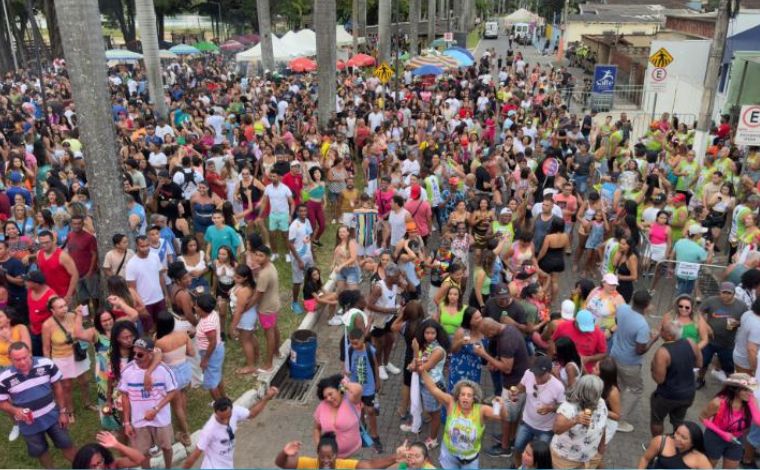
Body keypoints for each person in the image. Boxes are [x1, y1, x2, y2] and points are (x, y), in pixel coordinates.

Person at [0, 342, 76, 467]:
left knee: (66, 444)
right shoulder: (3, 377)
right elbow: (2, 402)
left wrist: (63, 412)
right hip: (28, 422)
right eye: (17, 360)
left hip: (53, 416)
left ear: (30, 353)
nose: (23, 362)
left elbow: (58, 386)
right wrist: (14, 410)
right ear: (10, 359)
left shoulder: (46, 364)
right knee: (41, 451)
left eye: (25, 357)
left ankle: (82, 466)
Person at [417, 366, 507, 469]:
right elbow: (433, 389)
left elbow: (503, 417)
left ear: (474, 398)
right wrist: (422, 370)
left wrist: (502, 406)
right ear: (458, 396)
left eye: (469, 395)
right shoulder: (451, 404)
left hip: (469, 461)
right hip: (449, 457)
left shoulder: (481, 410)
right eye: (463, 394)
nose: (465, 397)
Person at [118, 337, 178, 469]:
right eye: (134, 353)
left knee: (167, 447)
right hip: (139, 421)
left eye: (140, 354)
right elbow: (125, 397)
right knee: (142, 453)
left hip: (161, 419)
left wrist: (156, 409)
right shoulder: (127, 371)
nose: (135, 357)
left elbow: (172, 392)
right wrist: (127, 422)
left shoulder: (164, 370)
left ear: (150, 354)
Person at [182, 389, 278, 469]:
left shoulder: (235, 411)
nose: (225, 421)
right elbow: (194, 456)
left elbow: (251, 414)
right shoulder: (209, 430)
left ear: (232, 409)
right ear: (215, 413)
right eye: (222, 418)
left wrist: (266, 398)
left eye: (228, 416)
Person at [476, 318, 530, 457]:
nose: (487, 337)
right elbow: (507, 358)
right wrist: (496, 361)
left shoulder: (506, 341)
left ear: (492, 330)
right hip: (520, 381)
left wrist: (485, 355)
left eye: (487, 334)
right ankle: (511, 438)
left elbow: (506, 368)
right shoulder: (507, 329)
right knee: (514, 413)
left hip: (513, 384)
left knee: (505, 415)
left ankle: (505, 448)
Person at [608, 290, 658, 433]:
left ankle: (611, 410)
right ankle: (619, 419)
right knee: (636, 389)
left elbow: (617, 322)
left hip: (614, 354)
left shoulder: (622, 309)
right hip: (629, 363)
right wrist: (653, 340)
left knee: (618, 385)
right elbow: (639, 350)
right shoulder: (642, 325)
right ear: (647, 305)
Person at [510, 356, 566, 469]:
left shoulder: (558, 387)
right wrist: (516, 391)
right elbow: (521, 387)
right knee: (518, 447)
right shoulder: (528, 374)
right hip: (526, 421)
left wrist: (550, 408)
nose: (537, 378)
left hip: (546, 429)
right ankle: (518, 466)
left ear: (549, 372)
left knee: (540, 458)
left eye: (540, 375)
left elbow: (562, 406)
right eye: (535, 374)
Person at [650, 319, 702, 437]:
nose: (659, 331)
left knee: (657, 420)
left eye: (662, 329)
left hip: (667, 395)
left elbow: (659, 379)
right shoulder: (691, 342)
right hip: (688, 393)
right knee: (678, 420)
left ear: (669, 335)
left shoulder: (662, 352)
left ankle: (659, 444)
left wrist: (652, 369)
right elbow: (699, 364)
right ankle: (678, 442)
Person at [699, 373, 760, 469]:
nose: (750, 393)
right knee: (708, 466)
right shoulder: (718, 402)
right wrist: (723, 433)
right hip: (715, 438)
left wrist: (751, 402)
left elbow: (758, 420)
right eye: (745, 389)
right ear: (734, 390)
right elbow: (702, 418)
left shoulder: (751, 400)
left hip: (737, 440)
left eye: (750, 389)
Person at [154, 311, 195, 447]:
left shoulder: (158, 341)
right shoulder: (183, 335)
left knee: (176, 406)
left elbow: (157, 361)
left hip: (172, 375)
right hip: (185, 369)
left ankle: (185, 433)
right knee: (183, 397)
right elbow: (191, 352)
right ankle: (183, 424)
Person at [549, 375, 609, 469]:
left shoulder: (600, 403)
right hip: (566, 460)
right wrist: (575, 420)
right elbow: (556, 429)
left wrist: (602, 445)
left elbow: (603, 424)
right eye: (597, 392)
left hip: (591, 456)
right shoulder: (568, 408)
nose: (600, 394)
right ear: (588, 394)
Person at [698, 282, 748, 388]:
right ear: (719, 292)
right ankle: (700, 379)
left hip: (727, 343)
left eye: (729, 293)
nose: (725, 295)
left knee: (728, 367)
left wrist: (738, 323)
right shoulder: (711, 301)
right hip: (709, 340)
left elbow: (745, 321)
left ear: (734, 293)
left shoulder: (741, 306)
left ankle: (730, 387)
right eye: (723, 292)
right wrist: (706, 326)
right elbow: (698, 313)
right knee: (703, 362)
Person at [274, 432, 400, 469]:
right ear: (317, 454)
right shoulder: (308, 463)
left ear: (336, 454)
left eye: (330, 456)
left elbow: (370, 465)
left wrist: (395, 458)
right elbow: (281, 464)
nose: (326, 460)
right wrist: (284, 453)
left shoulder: (344, 465)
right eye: (322, 456)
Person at [345, 327, 382, 452]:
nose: (354, 345)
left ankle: (375, 435)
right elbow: (347, 367)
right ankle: (361, 429)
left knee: (370, 411)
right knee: (359, 408)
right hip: (356, 387)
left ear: (362, 339)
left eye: (356, 342)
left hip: (369, 387)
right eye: (351, 342)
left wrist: (378, 381)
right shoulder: (350, 350)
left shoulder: (370, 350)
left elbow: (376, 365)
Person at [312, 374, 364, 459]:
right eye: (325, 397)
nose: (328, 399)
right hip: (330, 457)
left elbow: (358, 389)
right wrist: (319, 447)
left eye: (330, 394)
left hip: (352, 453)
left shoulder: (351, 401)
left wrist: (345, 385)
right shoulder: (322, 407)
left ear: (339, 390)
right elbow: (316, 428)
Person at [125, 236, 169, 333]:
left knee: (163, 326)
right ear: (136, 246)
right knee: (149, 330)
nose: (145, 248)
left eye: (147, 245)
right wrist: (139, 307)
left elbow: (160, 276)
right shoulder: (131, 264)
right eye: (142, 246)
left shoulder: (155, 257)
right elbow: (131, 288)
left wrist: (165, 294)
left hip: (159, 299)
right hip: (145, 303)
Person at [250, 242, 281, 374]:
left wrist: (246, 307)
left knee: (269, 334)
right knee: (274, 329)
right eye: (256, 255)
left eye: (261, 256)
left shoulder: (264, 275)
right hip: (275, 304)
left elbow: (257, 295)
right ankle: (277, 351)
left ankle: (268, 364)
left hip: (266, 308)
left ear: (267, 257)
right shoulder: (270, 266)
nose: (257, 258)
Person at [637, 421, 713, 469]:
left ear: (693, 443)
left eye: (683, 437)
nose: (677, 438)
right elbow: (645, 459)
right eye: (677, 433)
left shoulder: (700, 459)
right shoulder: (661, 441)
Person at [195, 294, 226, 400]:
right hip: (217, 350)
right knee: (217, 375)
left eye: (197, 306)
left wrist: (205, 360)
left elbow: (211, 342)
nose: (195, 307)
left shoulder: (207, 323)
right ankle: (224, 398)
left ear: (202, 309)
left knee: (211, 382)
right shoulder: (212, 313)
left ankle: (220, 405)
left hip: (211, 353)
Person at [36, 230, 78, 303]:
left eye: (47, 242)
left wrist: (68, 295)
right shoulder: (38, 253)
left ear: (53, 241)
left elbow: (75, 275)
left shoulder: (63, 256)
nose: (44, 245)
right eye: (42, 243)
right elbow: (41, 272)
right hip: (49, 296)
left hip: (64, 295)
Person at [289, 204, 314, 315]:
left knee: (309, 278)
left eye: (305, 211)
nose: (303, 213)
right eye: (301, 211)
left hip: (308, 256)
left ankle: (307, 298)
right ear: (297, 212)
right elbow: (290, 244)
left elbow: (309, 237)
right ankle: (294, 302)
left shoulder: (307, 221)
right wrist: (299, 260)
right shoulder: (294, 225)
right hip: (298, 257)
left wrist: (312, 252)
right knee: (297, 281)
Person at [72, 431, 145, 469]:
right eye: (92, 466)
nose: (98, 468)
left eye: (99, 462)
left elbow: (140, 459)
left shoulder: (111, 465)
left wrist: (117, 445)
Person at [734, 297, 760, 374]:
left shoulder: (748, 313)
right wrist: (755, 370)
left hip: (738, 353)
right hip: (746, 363)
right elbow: (751, 350)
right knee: (748, 385)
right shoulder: (757, 325)